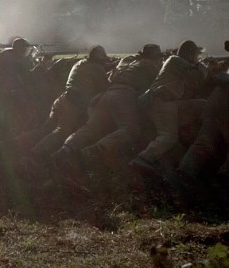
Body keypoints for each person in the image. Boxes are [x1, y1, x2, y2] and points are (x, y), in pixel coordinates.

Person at [51, 44, 165, 186]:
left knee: (91, 127)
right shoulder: (151, 66)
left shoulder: (127, 60)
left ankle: (64, 151)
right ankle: (93, 152)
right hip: (125, 94)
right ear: (154, 57)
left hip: (107, 94)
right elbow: (159, 83)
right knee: (131, 129)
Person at [129, 40, 208, 176]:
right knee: (168, 137)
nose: (197, 58)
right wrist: (203, 65)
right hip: (162, 101)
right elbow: (199, 75)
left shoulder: (177, 63)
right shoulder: (175, 60)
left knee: (203, 105)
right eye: (196, 55)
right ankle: (142, 159)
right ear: (190, 54)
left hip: (165, 101)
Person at [29, 45, 113, 161]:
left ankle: (17, 144)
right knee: (61, 132)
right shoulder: (97, 68)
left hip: (63, 99)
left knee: (44, 129)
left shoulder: (80, 63)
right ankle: (35, 155)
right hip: (72, 104)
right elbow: (105, 87)